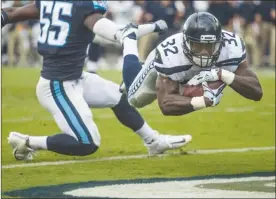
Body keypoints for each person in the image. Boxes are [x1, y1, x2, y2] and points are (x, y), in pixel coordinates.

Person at [1, 1, 192, 160]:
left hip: (76, 78)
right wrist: (153, 27)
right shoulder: (84, 8)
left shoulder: (52, 2)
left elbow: (11, 12)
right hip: (57, 86)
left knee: (119, 96)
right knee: (87, 142)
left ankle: (153, 142)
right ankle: (27, 141)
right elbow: (119, 33)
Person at [120, 12, 263, 115]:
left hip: (187, 72)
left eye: (210, 46)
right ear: (186, 43)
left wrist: (223, 75)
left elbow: (257, 92)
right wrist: (204, 101)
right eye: (198, 46)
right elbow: (165, 104)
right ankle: (129, 38)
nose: (204, 53)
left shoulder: (232, 47)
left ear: (221, 42)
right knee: (135, 99)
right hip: (168, 67)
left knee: (184, 85)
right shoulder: (170, 55)